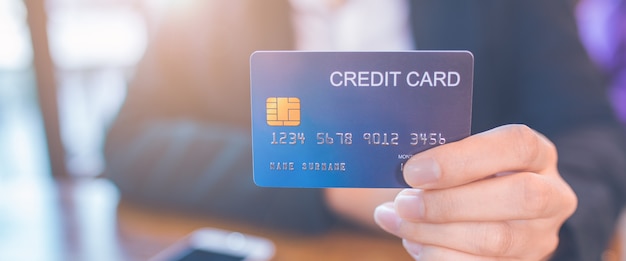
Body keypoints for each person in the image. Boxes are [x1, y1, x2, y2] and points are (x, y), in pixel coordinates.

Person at [104, 0, 626, 260]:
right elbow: (131, 139)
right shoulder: (203, 13)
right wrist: (330, 180)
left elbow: (593, 135)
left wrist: (541, 219)